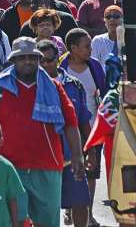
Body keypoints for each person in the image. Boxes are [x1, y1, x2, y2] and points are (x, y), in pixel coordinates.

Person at [0, 38, 84, 227]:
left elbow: (71, 123)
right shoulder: (0, 88)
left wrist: (77, 156)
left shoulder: (53, 87)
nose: (27, 61)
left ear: (38, 59)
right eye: (22, 58)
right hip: (10, 168)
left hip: (47, 167)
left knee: (47, 223)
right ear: (13, 60)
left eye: (32, 57)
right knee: (15, 222)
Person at [37, 40, 93, 227]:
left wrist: (91, 150)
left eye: (49, 60)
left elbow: (83, 120)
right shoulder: (31, 88)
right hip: (43, 158)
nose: (45, 65)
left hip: (71, 156)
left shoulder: (74, 85)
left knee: (81, 202)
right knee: (44, 207)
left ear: (58, 59)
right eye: (41, 61)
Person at [59, 29, 106, 223]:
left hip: (93, 128)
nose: (90, 50)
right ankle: (71, 207)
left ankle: (89, 213)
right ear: (73, 48)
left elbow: (103, 92)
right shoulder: (62, 67)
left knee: (91, 172)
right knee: (71, 170)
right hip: (70, 130)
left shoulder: (94, 66)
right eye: (86, 46)